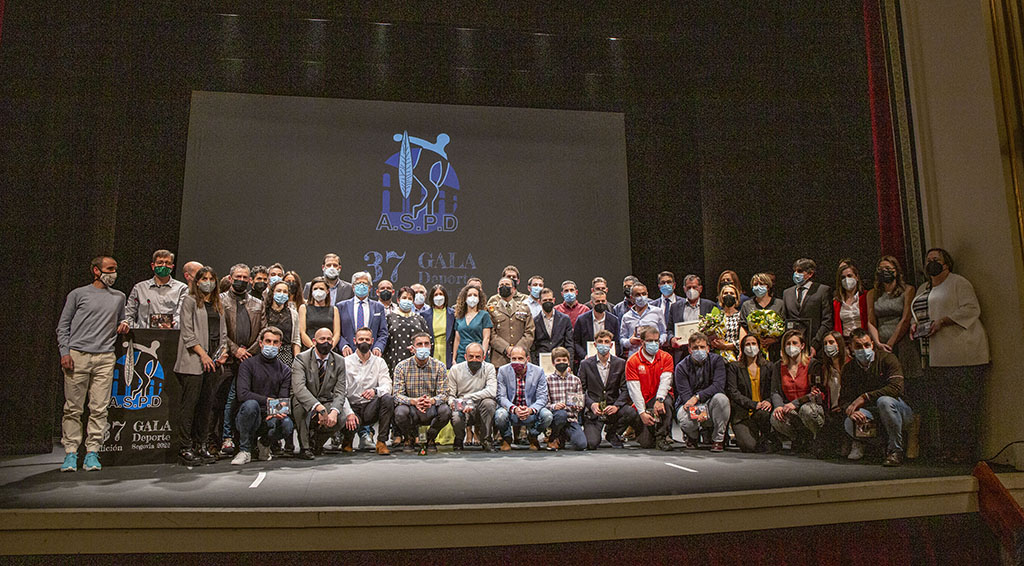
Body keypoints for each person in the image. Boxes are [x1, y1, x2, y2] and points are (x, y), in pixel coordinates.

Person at [911, 247, 990, 463]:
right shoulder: (923, 288)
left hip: (963, 355)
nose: (931, 263)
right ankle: (949, 448)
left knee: (963, 405)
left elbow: (971, 309)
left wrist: (944, 320)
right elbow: (918, 313)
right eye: (928, 260)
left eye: (936, 259)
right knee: (945, 406)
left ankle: (965, 450)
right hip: (935, 356)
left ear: (947, 264)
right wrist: (913, 326)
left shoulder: (958, 283)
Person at [56, 256, 129, 472]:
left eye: (115, 269)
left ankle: (92, 452)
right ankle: (70, 452)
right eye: (109, 269)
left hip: (105, 356)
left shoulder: (119, 297)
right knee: (73, 407)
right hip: (78, 355)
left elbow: (122, 320)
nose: (113, 273)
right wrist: (65, 352)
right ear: (96, 271)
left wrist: (124, 324)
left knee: (99, 407)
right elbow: (63, 326)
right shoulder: (78, 294)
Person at [174, 266, 229, 466]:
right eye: (203, 278)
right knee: (190, 405)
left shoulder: (217, 303)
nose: (208, 281)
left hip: (214, 361)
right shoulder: (189, 301)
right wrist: (203, 355)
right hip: (194, 360)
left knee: (206, 406)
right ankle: (185, 447)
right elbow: (187, 332)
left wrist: (223, 352)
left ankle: (202, 444)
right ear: (196, 282)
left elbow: (223, 332)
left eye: (211, 278)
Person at [841, 328, 912, 466]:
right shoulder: (849, 369)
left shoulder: (887, 359)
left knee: (884, 401)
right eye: (858, 346)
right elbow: (844, 399)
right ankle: (879, 444)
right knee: (850, 424)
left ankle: (895, 450)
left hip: (898, 410)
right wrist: (851, 411)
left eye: (867, 345)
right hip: (871, 413)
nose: (863, 349)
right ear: (851, 347)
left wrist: (865, 397)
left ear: (872, 344)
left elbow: (896, 388)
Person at [215, 264, 264, 457]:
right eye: (238, 276)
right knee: (222, 401)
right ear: (230, 277)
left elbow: (263, 331)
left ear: (250, 280)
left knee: (244, 401)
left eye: (245, 277)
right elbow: (221, 331)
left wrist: (247, 353)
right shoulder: (220, 301)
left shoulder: (257, 304)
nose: (241, 280)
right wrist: (235, 350)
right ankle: (222, 439)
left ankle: (243, 440)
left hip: (250, 360)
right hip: (226, 359)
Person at [231, 327, 295, 465]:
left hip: (270, 414)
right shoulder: (247, 364)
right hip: (249, 414)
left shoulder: (285, 370)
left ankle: (264, 445)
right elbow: (243, 394)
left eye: (275, 342)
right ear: (260, 343)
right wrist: (268, 401)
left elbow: (283, 399)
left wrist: (276, 412)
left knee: (287, 424)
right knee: (251, 405)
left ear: (280, 345)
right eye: (268, 341)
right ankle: (245, 450)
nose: (271, 345)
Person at [291, 327, 352, 460]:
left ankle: (316, 443)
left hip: (326, 400)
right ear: (314, 341)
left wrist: (334, 412)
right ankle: (305, 447)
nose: (326, 342)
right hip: (305, 400)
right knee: (300, 407)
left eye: (329, 339)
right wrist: (318, 407)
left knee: (341, 417)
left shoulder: (339, 361)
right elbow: (299, 389)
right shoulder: (301, 359)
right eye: (322, 339)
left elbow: (340, 391)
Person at [393, 332, 450, 455]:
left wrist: (431, 401)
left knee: (445, 410)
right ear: (412, 348)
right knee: (400, 412)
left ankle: (431, 438)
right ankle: (409, 437)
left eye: (426, 344)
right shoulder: (401, 367)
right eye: (419, 344)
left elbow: (444, 394)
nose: (423, 347)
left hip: (431, 407)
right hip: (412, 408)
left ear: (430, 346)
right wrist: (413, 401)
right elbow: (397, 395)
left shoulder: (439, 366)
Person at [867, 255, 921, 386]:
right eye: (880, 269)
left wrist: (890, 343)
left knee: (906, 379)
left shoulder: (908, 290)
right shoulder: (872, 293)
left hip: (902, 342)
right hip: (881, 343)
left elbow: (906, 318)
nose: (884, 271)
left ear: (896, 271)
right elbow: (871, 321)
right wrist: (878, 343)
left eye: (887, 268)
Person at [769, 329, 825, 453]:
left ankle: (816, 438)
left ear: (802, 345)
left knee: (807, 411)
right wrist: (778, 406)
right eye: (788, 344)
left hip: (809, 406)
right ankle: (798, 439)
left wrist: (795, 403)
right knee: (776, 417)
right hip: (790, 409)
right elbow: (775, 391)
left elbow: (816, 393)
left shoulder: (813, 364)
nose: (791, 347)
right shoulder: (778, 366)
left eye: (795, 343)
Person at [578, 330, 635, 449]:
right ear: (595, 345)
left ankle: (613, 433)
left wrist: (617, 406)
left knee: (630, 412)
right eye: (600, 342)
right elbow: (580, 390)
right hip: (594, 411)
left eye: (606, 342)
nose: (603, 344)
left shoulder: (621, 363)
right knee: (592, 443)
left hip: (612, 407)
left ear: (611, 345)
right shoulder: (585, 364)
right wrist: (591, 404)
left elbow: (625, 390)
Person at [674, 332, 730, 452]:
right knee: (685, 420)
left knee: (722, 399)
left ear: (708, 348)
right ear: (689, 350)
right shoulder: (681, 367)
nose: (699, 350)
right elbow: (685, 396)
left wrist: (698, 397)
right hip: (690, 404)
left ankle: (718, 440)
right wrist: (699, 410)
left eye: (702, 347)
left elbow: (718, 386)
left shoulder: (717, 361)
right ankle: (692, 436)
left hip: (710, 402)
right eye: (695, 348)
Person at [343, 327, 394, 454]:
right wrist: (349, 413)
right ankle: (347, 440)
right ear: (355, 341)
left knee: (388, 399)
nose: (364, 342)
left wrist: (375, 391)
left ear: (372, 341)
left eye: (367, 339)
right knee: (342, 408)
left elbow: (387, 385)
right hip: (352, 406)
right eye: (361, 339)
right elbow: (340, 392)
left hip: (370, 407)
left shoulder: (379, 362)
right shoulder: (345, 362)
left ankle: (381, 442)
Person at [624, 325, 675, 450]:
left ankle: (662, 437)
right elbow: (634, 389)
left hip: (658, 398)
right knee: (646, 443)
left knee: (667, 402)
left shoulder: (666, 357)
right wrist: (642, 413)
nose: (654, 343)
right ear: (642, 342)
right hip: (642, 401)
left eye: (656, 341)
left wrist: (660, 399)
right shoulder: (633, 361)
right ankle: (638, 431)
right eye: (650, 341)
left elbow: (666, 381)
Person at [494, 346, 551, 451]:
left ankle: (533, 436)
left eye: (520, 359)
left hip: (531, 410)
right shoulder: (503, 371)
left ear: (527, 359)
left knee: (547, 416)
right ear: (509, 358)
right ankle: (507, 438)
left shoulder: (538, 371)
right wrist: (514, 409)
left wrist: (530, 410)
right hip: (511, 410)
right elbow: (501, 397)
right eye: (514, 359)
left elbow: (542, 397)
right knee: (500, 415)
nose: (517, 362)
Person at [726, 334, 775, 453]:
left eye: (754, 344)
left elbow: (774, 389)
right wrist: (753, 404)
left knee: (764, 415)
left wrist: (768, 401)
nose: (751, 347)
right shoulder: (734, 367)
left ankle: (766, 436)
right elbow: (733, 392)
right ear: (742, 348)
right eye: (748, 344)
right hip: (742, 413)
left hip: (762, 412)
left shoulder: (769, 366)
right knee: (749, 447)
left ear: (759, 347)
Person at [446, 342, 498, 451]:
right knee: (455, 415)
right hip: (462, 405)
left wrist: (469, 397)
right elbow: (450, 395)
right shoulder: (455, 370)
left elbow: (492, 391)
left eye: (478, 357)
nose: (474, 359)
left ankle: (486, 440)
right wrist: (457, 403)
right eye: (471, 356)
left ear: (483, 357)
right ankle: (459, 439)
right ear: (465, 357)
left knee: (489, 403)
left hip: (480, 405)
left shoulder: (489, 368)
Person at [124, 249, 188, 329]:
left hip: (170, 335)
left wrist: (173, 326)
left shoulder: (182, 288)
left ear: (172, 267)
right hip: (142, 336)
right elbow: (129, 314)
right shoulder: (139, 288)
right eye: (160, 262)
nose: (164, 265)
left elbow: (181, 315)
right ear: (153, 266)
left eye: (168, 263)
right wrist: (137, 329)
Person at [782, 258, 833, 354]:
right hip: (792, 347)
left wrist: (815, 344)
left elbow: (827, 321)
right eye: (795, 271)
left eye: (800, 271)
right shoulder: (787, 293)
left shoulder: (822, 290)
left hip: (815, 346)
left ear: (810, 274)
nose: (796, 274)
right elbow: (785, 319)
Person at [336, 271, 388, 357]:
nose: (361, 285)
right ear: (353, 287)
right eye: (358, 283)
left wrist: (378, 347)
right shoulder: (341, 306)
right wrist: (344, 346)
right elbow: (337, 332)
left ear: (370, 287)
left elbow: (383, 332)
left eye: (364, 283)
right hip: (348, 355)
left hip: (371, 355)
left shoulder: (378, 307)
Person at [544, 347, 586, 451]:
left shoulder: (576, 380)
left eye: (564, 360)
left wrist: (577, 406)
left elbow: (580, 404)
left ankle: (563, 436)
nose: (561, 362)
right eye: (558, 360)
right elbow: (545, 403)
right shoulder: (547, 380)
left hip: (571, 418)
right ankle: (553, 437)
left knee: (582, 444)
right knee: (561, 414)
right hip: (556, 417)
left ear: (568, 362)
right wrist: (555, 406)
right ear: (553, 363)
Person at [667, 274, 717, 363]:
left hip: (704, 352)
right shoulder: (675, 307)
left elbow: (715, 328)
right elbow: (669, 329)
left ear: (700, 289)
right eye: (689, 287)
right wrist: (671, 339)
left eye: (694, 287)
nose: (691, 290)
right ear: (684, 289)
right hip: (682, 352)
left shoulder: (710, 305)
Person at [488, 276, 535, 368]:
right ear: (498, 290)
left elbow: (530, 332)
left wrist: (517, 351)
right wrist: (506, 348)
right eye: (501, 285)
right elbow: (491, 334)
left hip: (522, 358)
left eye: (507, 285)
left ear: (513, 289)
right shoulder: (491, 310)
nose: (504, 286)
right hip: (500, 359)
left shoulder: (524, 308)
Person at [817, 330, 849, 456]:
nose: (828, 346)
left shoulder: (849, 364)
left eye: (831, 342)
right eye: (825, 343)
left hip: (846, 407)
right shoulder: (825, 368)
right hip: (831, 409)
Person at [740, 272, 785, 359]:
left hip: (775, 348)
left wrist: (774, 339)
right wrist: (742, 349)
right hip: (753, 348)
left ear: (768, 286)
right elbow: (743, 327)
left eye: (761, 284)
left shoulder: (779, 304)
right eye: (755, 284)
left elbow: (784, 325)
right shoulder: (747, 305)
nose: (758, 286)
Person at [384, 286, 431, 372]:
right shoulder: (389, 318)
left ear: (413, 301)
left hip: (417, 363)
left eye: (410, 299)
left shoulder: (419, 319)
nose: (407, 300)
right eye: (404, 298)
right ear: (398, 300)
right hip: (394, 362)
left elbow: (429, 340)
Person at [573, 289, 620, 366]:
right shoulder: (582, 320)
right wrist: (584, 356)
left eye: (603, 301)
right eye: (598, 301)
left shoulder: (614, 320)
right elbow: (576, 342)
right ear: (591, 303)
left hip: (609, 360)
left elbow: (617, 341)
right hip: (587, 360)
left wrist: (614, 355)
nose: (601, 303)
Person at [832, 260, 877, 340]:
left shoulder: (866, 296)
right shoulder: (837, 302)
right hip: (845, 340)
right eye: (843, 277)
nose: (846, 280)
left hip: (864, 339)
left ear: (856, 277)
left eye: (849, 276)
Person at [619, 284, 666, 359]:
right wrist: (630, 341)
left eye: (643, 294)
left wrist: (657, 342)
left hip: (655, 355)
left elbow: (664, 332)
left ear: (647, 295)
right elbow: (622, 339)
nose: (641, 297)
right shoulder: (626, 317)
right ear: (632, 298)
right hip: (635, 357)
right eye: (638, 295)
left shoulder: (657, 311)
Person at [452, 284, 493, 364]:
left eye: (475, 295)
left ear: (479, 298)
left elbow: (486, 338)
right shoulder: (459, 316)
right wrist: (454, 358)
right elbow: (457, 339)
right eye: (469, 295)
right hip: (462, 355)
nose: (472, 297)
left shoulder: (484, 315)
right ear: (465, 298)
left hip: (477, 356)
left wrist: (482, 356)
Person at [531, 288, 573, 365]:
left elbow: (569, 344)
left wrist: (569, 364)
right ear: (539, 302)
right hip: (541, 361)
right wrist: (535, 366)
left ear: (554, 300)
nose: (548, 302)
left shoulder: (564, 319)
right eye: (545, 300)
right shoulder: (534, 321)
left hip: (561, 360)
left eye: (550, 300)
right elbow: (533, 347)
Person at [262, 281, 300, 365]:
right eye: (278, 291)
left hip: (286, 355)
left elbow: (296, 339)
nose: (282, 294)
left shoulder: (293, 314)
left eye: (285, 292)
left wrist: (297, 361)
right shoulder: (263, 311)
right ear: (272, 293)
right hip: (266, 353)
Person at [299, 276, 340, 351]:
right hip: (310, 349)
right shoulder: (304, 308)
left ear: (327, 291)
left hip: (329, 349)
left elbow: (337, 333)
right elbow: (302, 332)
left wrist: (330, 347)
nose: (318, 291)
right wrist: (313, 348)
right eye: (315, 289)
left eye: (321, 289)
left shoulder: (334, 309)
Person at [711, 284, 746, 362]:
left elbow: (744, 339)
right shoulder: (716, 316)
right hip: (718, 356)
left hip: (736, 357)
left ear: (736, 297)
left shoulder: (741, 316)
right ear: (721, 297)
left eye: (732, 293)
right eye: (726, 293)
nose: (728, 295)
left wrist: (727, 346)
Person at [423, 284, 456, 367]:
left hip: (448, 352)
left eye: (441, 294)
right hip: (431, 352)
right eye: (436, 295)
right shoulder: (424, 315)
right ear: (431, 297)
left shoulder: (453, 314)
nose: (438, 297)